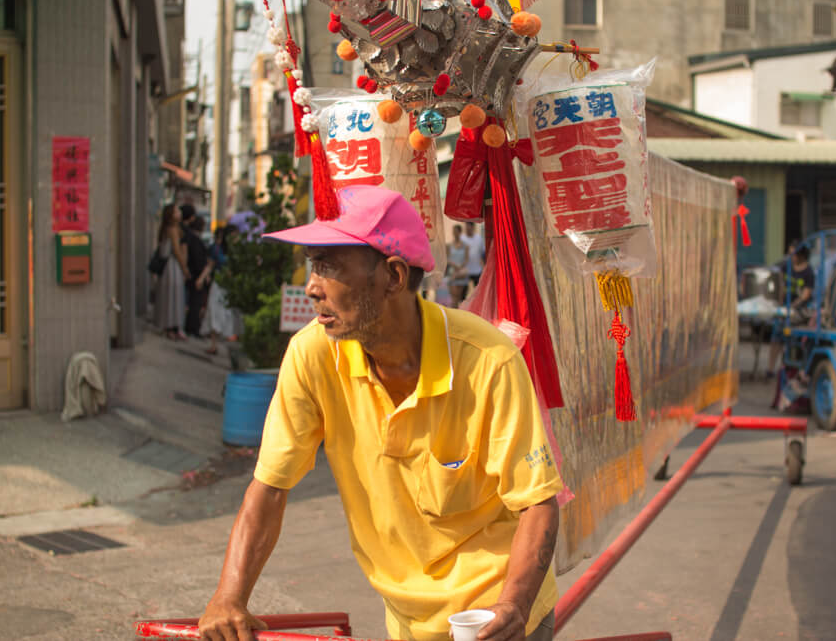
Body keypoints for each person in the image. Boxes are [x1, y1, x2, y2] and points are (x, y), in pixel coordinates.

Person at [199, 187, 562, 641]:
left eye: (329, 267)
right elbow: (270, 486)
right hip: (407, 618)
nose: (312, 287)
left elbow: (537, 503)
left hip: (495, 611)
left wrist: (514, 605)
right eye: (314, 266)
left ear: (392, 276)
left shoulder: (487, 358)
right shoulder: (312, 354)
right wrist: (229, 596)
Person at [766, 244, 815, 377]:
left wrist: (793, 305)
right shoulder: (786, 267)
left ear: (802, 255)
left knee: (793, 338)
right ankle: (770, 369)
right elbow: (779, 282)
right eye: (790, 253)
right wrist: (780, 302)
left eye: (794, 254)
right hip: (784, 309)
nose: (791, 257)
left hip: (799, 310)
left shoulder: (808, 272)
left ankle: (791, 367)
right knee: (776, 336)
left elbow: (806, 294)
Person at [154, 204, 191, 340]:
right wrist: (185, 269)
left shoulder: (169, 229)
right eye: (176, 211)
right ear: (171, 214)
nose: (179, 213)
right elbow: (176, 250)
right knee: (174, 296)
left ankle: (171, 326)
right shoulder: (172, 229)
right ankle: (172, 327)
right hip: (172, 267)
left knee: (170, 296)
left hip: (170, 267)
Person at [202, 225, 238, 355]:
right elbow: (210, 266)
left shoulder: (237, 252)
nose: (236, 238)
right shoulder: (217, 249)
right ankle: (214, 344)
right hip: (218, 285)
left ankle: (221, 343)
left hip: (229, 287)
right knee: (214, 312)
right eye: (234, 235)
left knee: (225, 314)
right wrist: (201, 279)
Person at [184, 215, 211, 339]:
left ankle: (191, 327)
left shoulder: (191, 239)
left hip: (194, 274)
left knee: (194, 303)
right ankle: (192, 328)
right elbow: (201, 261)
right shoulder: (195, 240)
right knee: (195, 303)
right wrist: (201, 277)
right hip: (197, 275)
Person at [446, 224, 470, 308]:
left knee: (459, 297)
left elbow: (467, 259)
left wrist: (460, 266)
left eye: (456, 231)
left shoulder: (465, 246)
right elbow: (447, 259)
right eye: (453, 232)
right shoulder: (449, 246)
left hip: (461, 274)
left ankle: (457, 313)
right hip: (452, 273)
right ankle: (454, 314)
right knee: (454, 297)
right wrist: (454, 265)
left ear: (459, 232)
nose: (454, 233)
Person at [460, 221, 486, 295]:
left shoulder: (479, 239)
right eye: (466, 227)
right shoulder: (462, 238)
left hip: (477, 270)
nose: (468, 229)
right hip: (465, 271)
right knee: (463, 293)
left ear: (473, 227)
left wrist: (484, 267)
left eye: (469, 227)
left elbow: (483, 253)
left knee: (478, 292)